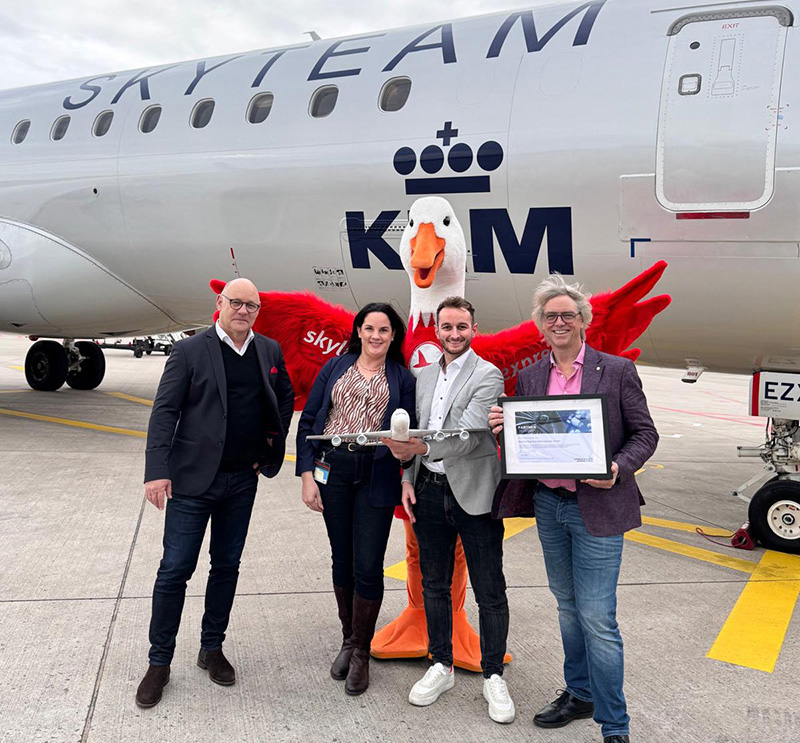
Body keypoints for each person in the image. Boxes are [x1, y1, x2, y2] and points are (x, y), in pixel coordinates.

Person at [490, 274, 659, 743]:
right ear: (540, 324)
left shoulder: (616, 370)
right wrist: (504, 428)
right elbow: (530, 441)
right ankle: (580, 693)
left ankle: (614, 723)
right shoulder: (530, 376)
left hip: (598, 506)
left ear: (583, 320)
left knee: (598, 617)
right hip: (549, 504)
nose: (559, 322)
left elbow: (645, 434)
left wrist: (618, 468)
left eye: (567, 315)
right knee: (567, 607)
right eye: (550, 316)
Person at [135, 278, 294, 709]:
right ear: (220, 303)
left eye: (251, 305)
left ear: (258, 311)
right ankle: (159, 662)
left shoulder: (268, 350)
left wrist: (270, 447)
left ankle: (211, 648)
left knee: (226, 566)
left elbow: (283, 398)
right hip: (192, 482)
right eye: (236, 302)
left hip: (242, 481)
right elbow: (165, 411)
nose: (243, 311)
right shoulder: (189, 351)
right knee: (174, 570)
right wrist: (156, 471)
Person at [382, 296, 514, 724]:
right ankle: (442, 664)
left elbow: (471, 434)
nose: (454, 334)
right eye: (447, 327)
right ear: (436, 330)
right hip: (428, 489)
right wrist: (407, 477)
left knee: (489, 589)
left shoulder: (487, 374)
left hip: (474, 493)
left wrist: (420, 449)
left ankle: (493, 674)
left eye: (461, 327)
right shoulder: (423, 376)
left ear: (474, 329)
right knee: (434, 584)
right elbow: (412, 432)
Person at [296, 302, 416, 696]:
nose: (376, 336)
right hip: (333, 469)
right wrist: (307, 475)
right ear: (359, 331)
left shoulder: (402, 378)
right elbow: (310, 420)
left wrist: (406, 469)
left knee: (368, 563)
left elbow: (410, 434)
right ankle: (348, 639)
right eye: (369, 328)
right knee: (342, 558)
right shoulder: (335, 367)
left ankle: (362, 651)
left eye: (384, 330)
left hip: (377, 472)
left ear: (393, 336)